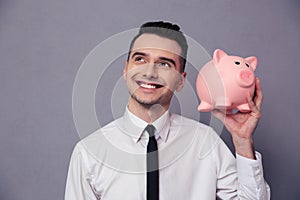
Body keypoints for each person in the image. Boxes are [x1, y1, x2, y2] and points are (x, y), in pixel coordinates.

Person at [65, 21, 271, 199]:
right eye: (140, 59)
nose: (150, 72)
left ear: (181, 80)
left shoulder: (206, 142)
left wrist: (243, 142)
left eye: (164, 63)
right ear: (126, 69)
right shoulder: (89, 152)